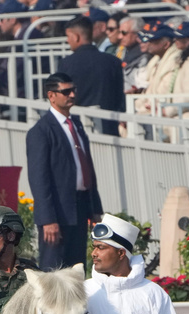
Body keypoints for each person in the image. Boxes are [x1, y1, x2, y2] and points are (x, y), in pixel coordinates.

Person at [26, 72, 103, 271]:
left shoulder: (75, 125)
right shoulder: (42, 131)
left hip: (79, 206)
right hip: (57, 212)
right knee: (53, 270)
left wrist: (95, 210)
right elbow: (39, 178)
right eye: (65, 91)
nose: (71, 95)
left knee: (76, 268)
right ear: (51, 95)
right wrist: (48, 219)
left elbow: (87, 168)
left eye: (73, 90)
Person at [59, 16, 125, 136]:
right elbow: (119, 98)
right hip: (110, 130)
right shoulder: (113, 62)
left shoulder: (67, 64)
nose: (67, 41)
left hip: (78, 130)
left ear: (76, 37)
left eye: (68, 36)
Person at [134, 25, 181, 115]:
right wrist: (138, 106)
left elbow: (164, 91)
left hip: (162, 112)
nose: (149, 43)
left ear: (166, 44)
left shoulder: (174, 61)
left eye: (153, 41)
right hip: (152, 109)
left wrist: (145, 107)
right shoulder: (155, 60)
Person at [119, 16, 148, 92]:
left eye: (124, 33)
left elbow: (142, 84)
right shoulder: (123, 50)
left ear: (137, 33)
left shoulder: (144, 56)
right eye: (119, 32)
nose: (120, 37)